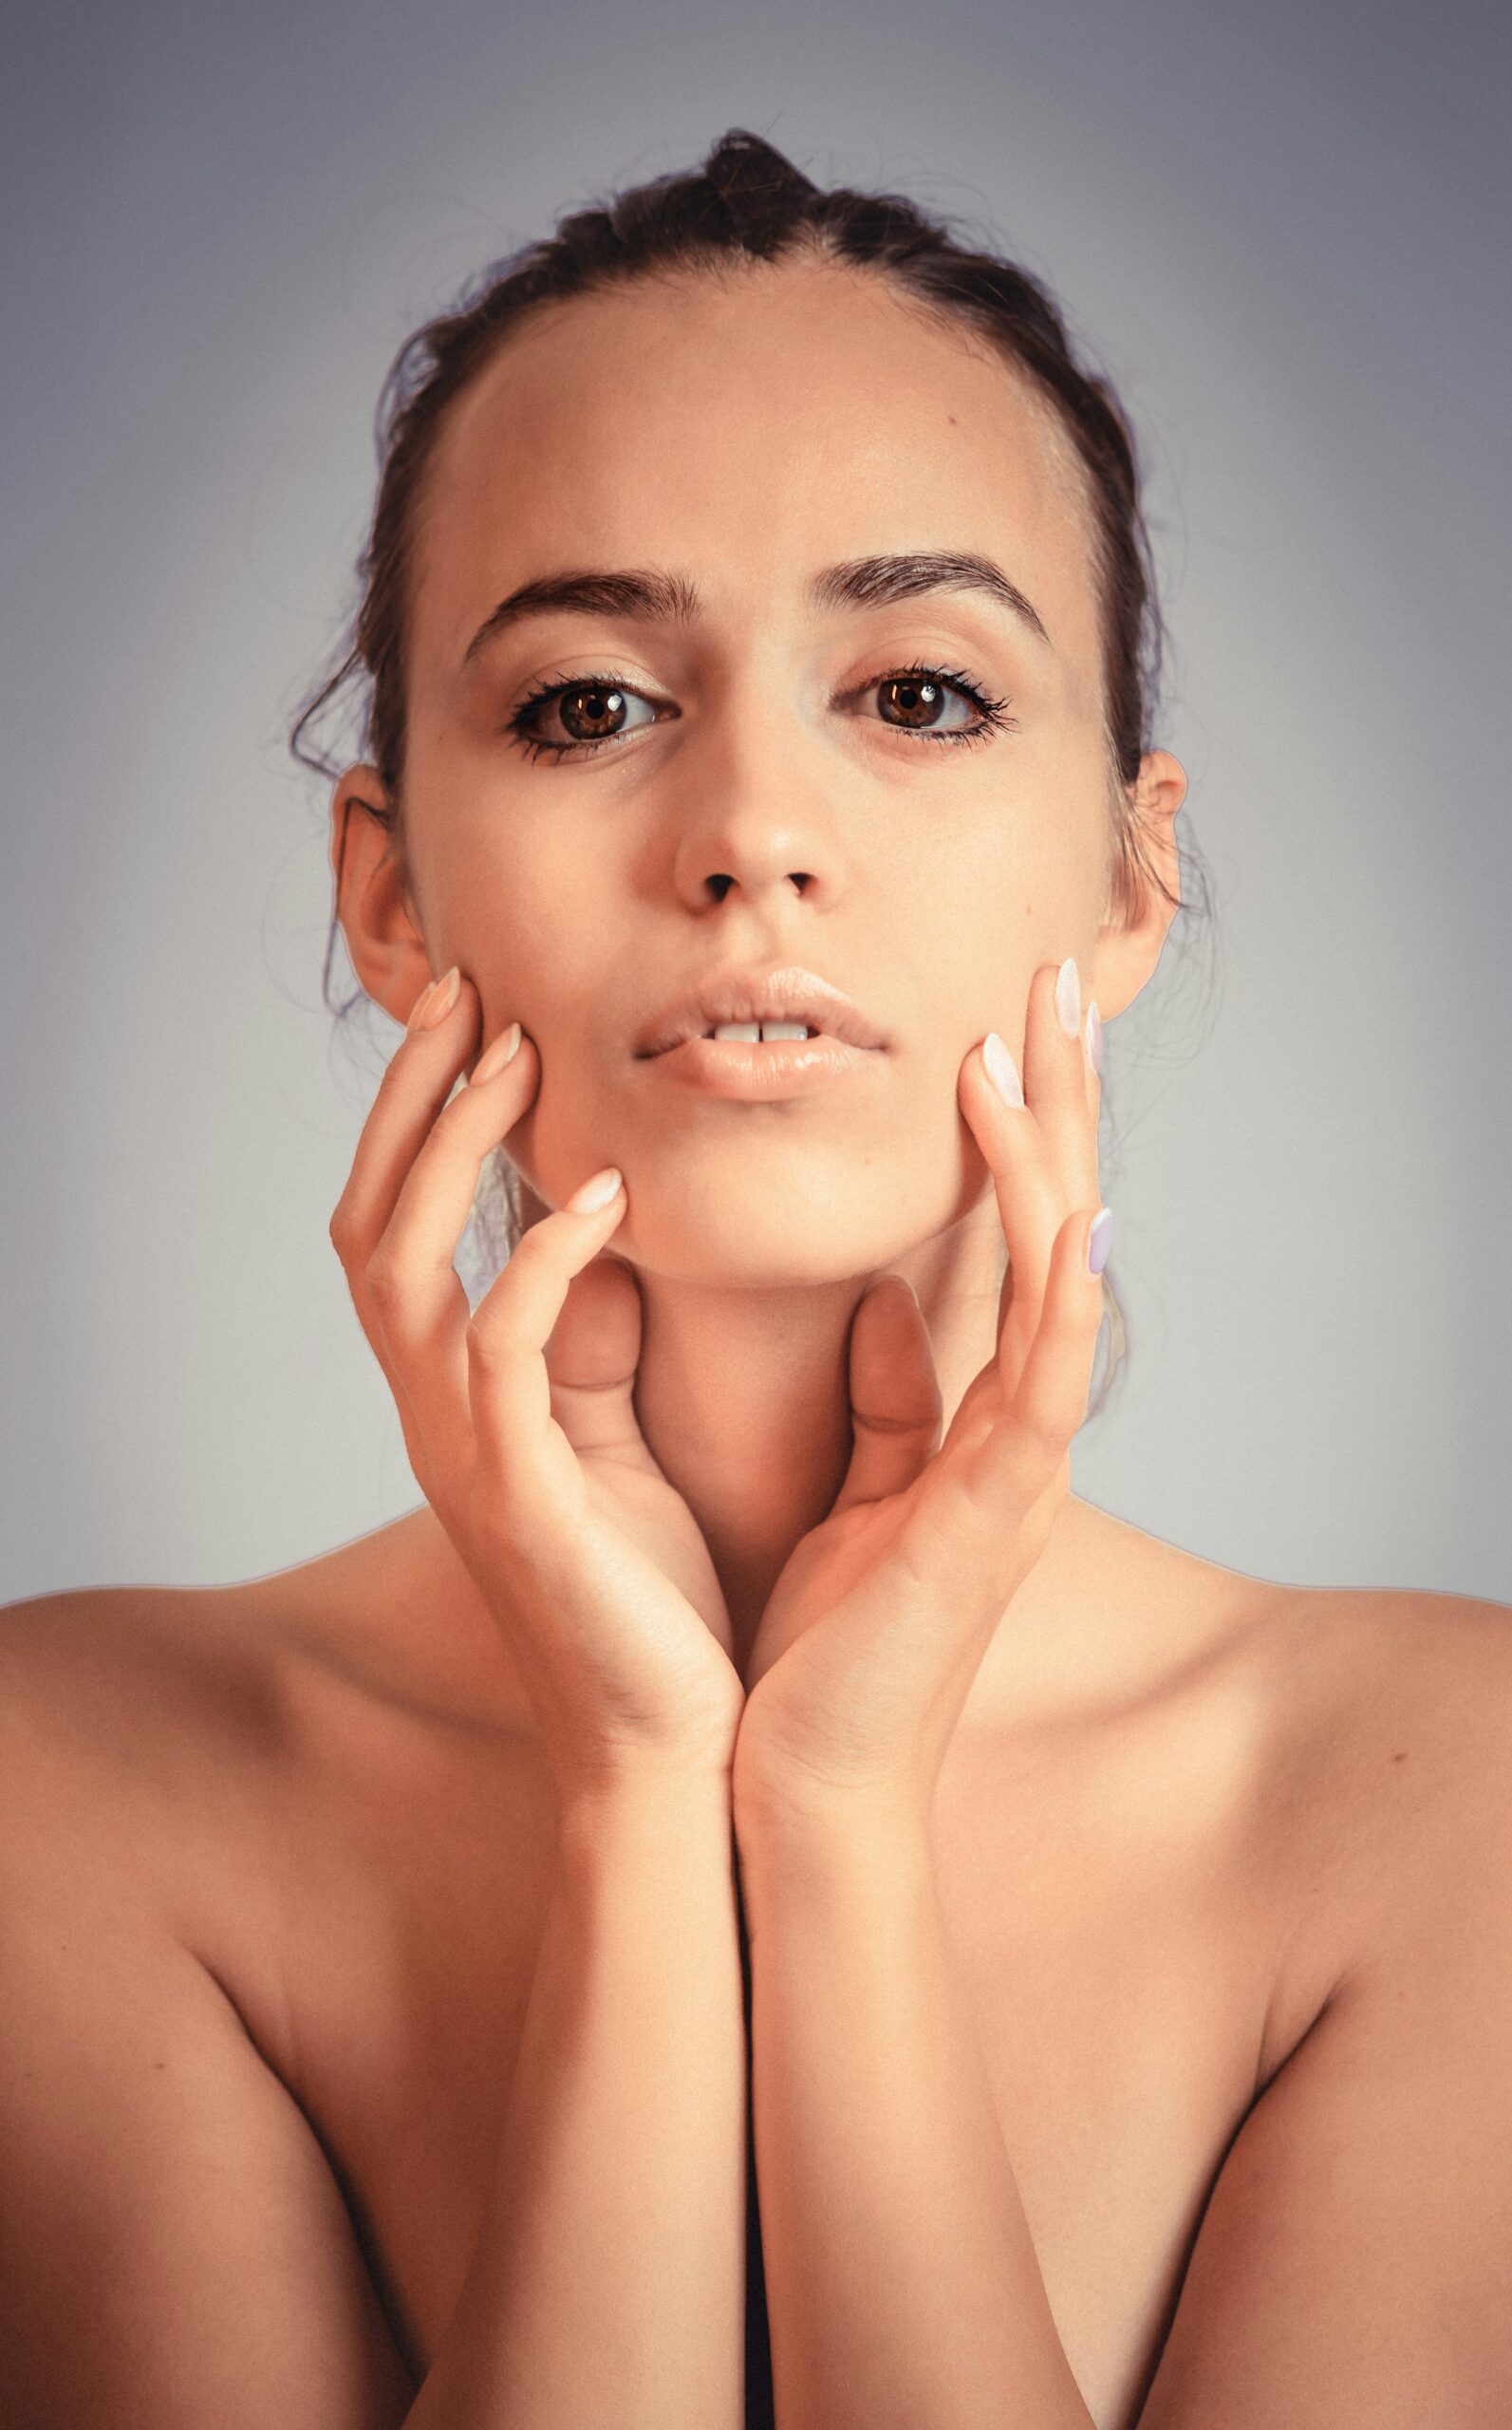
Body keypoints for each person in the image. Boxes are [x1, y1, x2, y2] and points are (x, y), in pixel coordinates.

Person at [2, 126, 1508, 2430]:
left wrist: (834, 1821)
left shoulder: (1448, 1803)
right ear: (387, 890)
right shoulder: (62, 1788)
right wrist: (640, 1791)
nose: (751, 837)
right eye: (589, 703)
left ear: (1130, 870)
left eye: (914, 694)